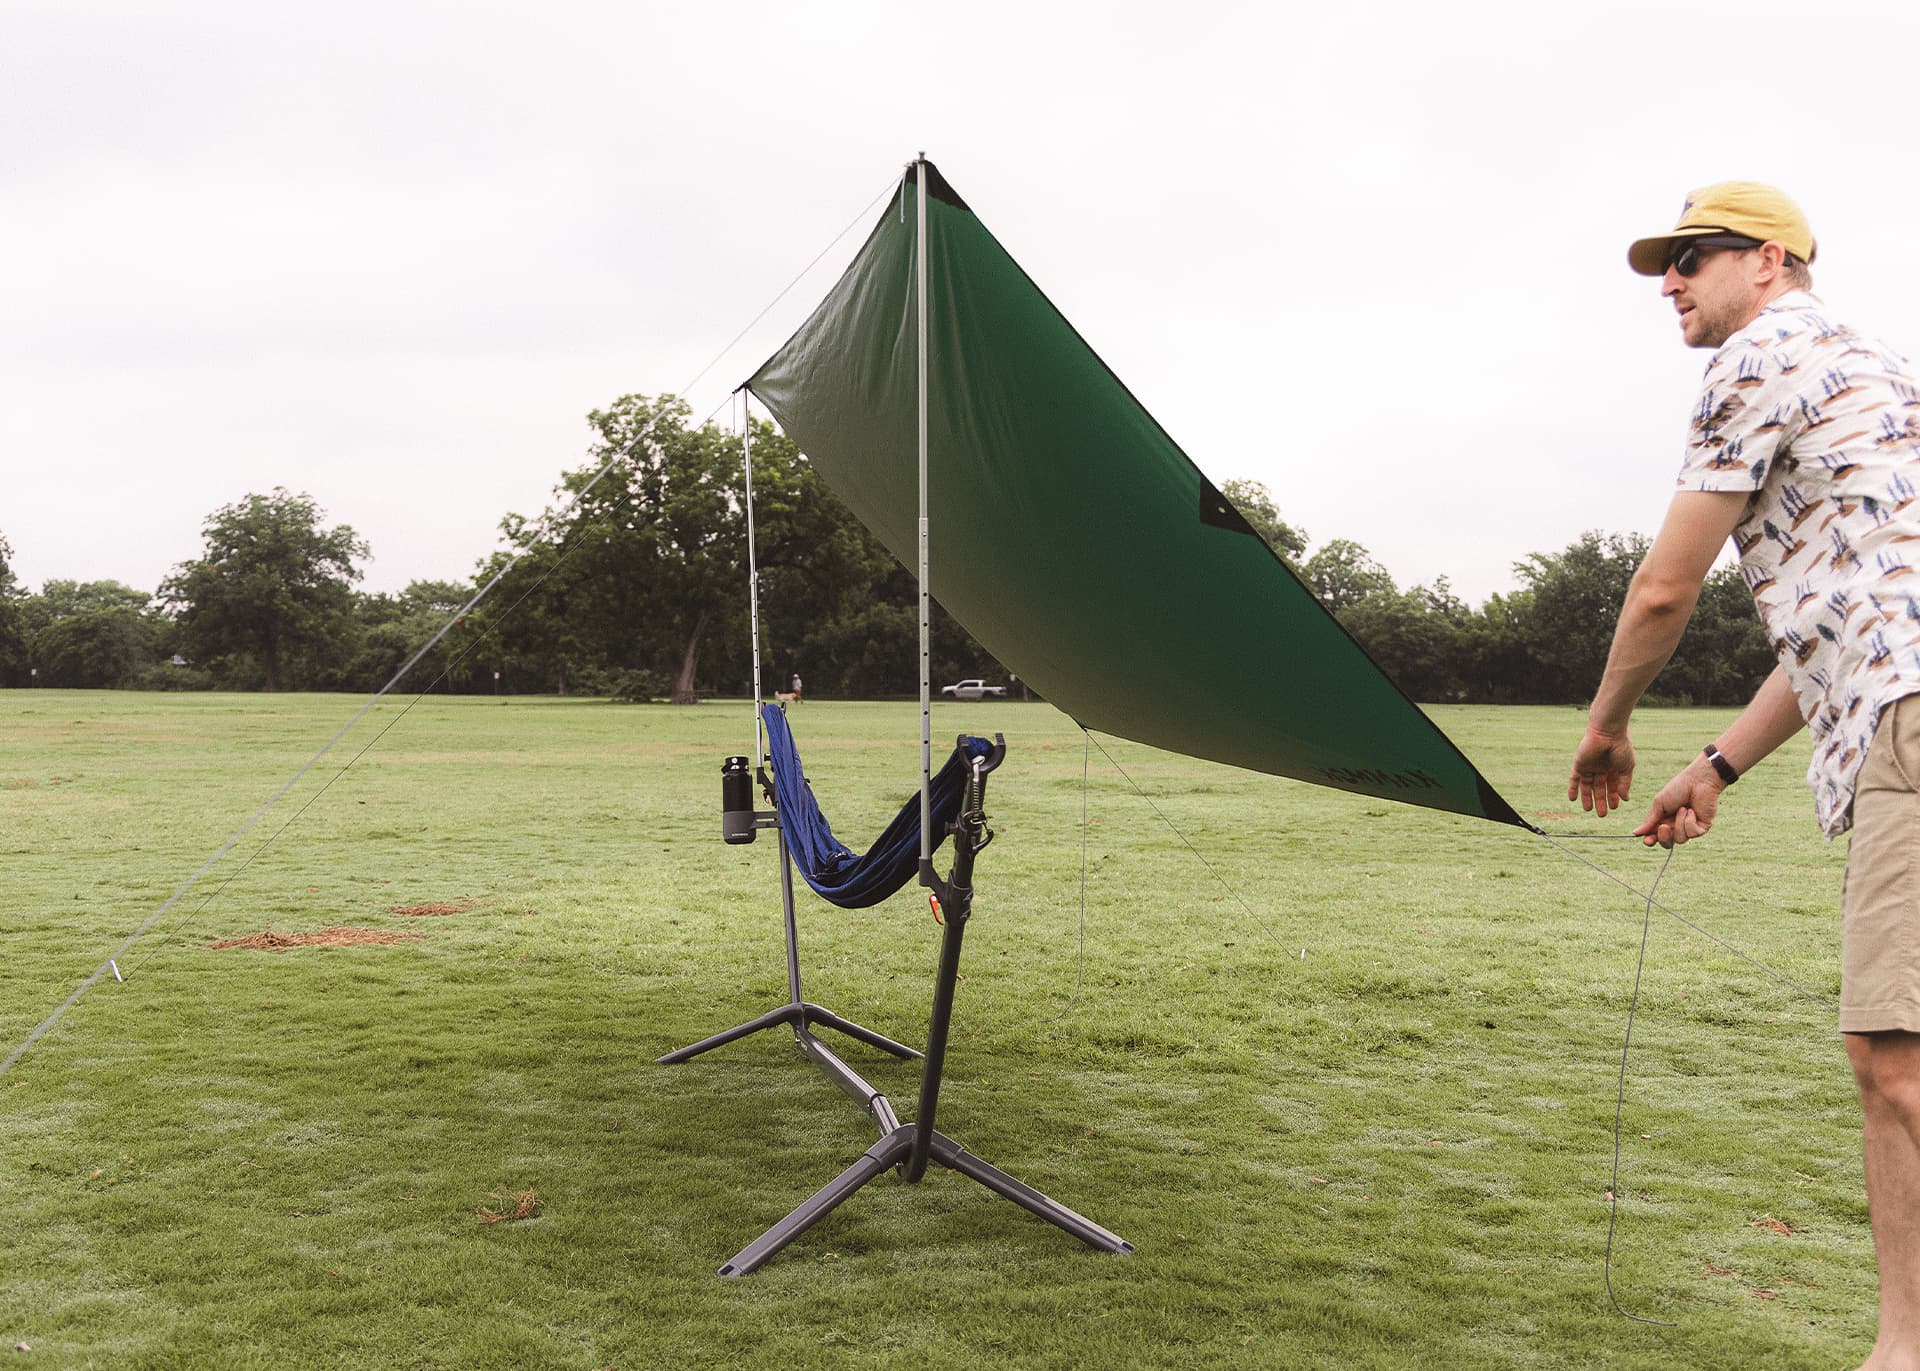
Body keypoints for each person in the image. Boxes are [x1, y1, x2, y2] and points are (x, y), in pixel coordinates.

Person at [1570, 181, 1920, 1368]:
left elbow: (1667, 584)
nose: (1669, 281)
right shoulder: (1881, 373)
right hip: (1896, 695)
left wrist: (1610, 724)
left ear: (1768, 261)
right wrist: (1716, 763)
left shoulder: (1757, 360)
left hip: (1912, 729)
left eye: (1691, 258)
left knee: (1897, 1061)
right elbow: (1847, 626)